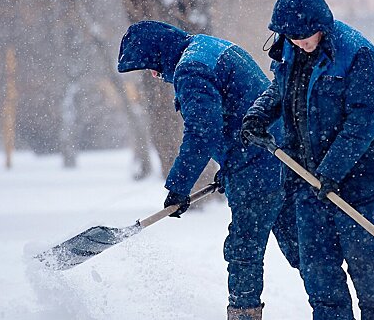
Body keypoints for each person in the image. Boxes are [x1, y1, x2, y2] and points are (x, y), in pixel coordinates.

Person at [117, 20, 299, 320]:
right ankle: (334, 307)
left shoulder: (190, 69)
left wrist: (178, 187)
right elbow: (239, 107)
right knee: (303, 247)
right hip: (278, 154)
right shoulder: (207, 47)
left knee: (244, 251)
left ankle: (243, 315)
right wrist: (229, 167)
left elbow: (203, 132)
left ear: (159, 53)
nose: (152, 73)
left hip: (258, 164)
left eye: (149, 65)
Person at [242, 0, 374, 320]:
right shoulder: (290, 47)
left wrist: (332, 169)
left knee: (370, 273)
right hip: (305, 181)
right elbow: (282, 90)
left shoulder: (356, 54)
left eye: (303, 35)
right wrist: (259, 113)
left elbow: (364, 119)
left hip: (355, 184)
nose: (297, 42)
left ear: (322, 25)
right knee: (319, 277)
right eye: (290, 36)